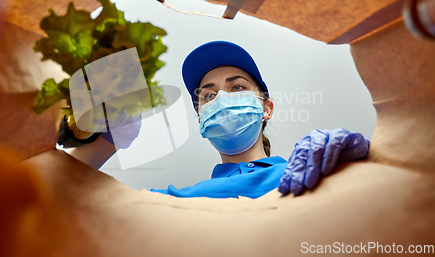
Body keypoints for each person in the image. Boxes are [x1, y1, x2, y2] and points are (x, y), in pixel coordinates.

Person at [65, 40, 370, 198]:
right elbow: (53, 197)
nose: (222, 98)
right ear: (200, 119)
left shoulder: (309, 170)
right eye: (208, 96)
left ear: (267, 108)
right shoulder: (178, 201)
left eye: (237, 87)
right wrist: (108, 142)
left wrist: (358, 160)